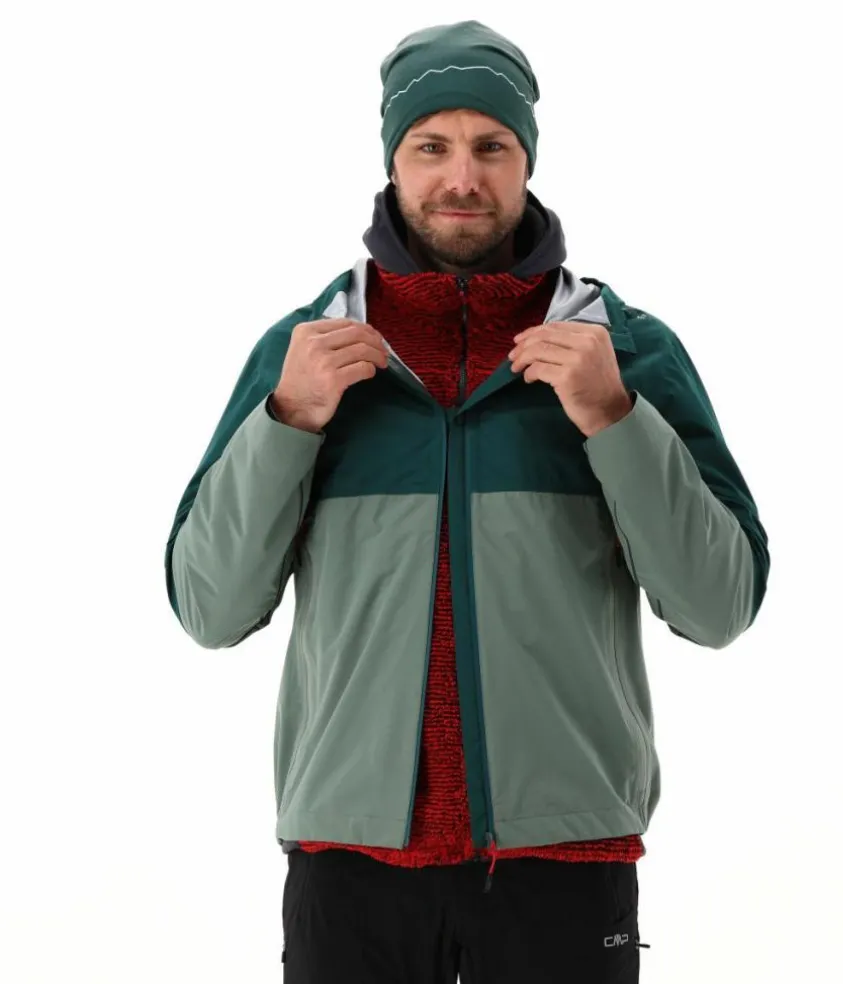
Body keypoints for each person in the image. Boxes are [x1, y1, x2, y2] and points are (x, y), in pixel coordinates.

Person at [164, 18, 770, 983]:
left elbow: (718, 605)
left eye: (491, 146)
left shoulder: (624, 351)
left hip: (565, 860)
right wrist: (289, 419)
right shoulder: (305, 351)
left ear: (527, 159)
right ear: (391, 161)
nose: (461, 177)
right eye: (431, 146)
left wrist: (614, 418)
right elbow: (210, 607)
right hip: (348, 864)